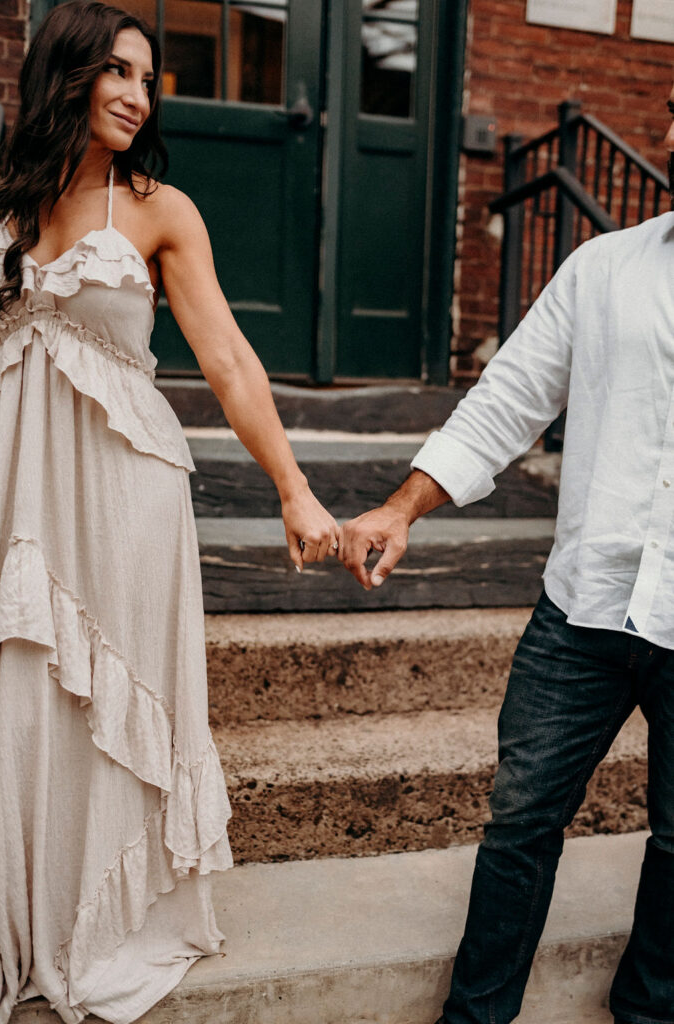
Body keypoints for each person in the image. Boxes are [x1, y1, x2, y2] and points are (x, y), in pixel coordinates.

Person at [0, 2, 338, 1021]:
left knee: (111, 700)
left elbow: (225, 358)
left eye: (148, 77)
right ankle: (31, 915)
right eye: (118, 71)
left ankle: (107, 921)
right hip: (22, 488)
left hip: (123, 494)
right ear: (67, 75)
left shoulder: (159, 210)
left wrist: (293, 485)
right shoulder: (7, 208)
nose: (138, 94)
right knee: (28, 693)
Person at [338, 94, 674, 1024]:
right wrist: (404, 506)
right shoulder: (602, 267)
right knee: (519, 826)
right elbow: (506, 400)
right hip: (582, 607)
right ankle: (474, 1017)